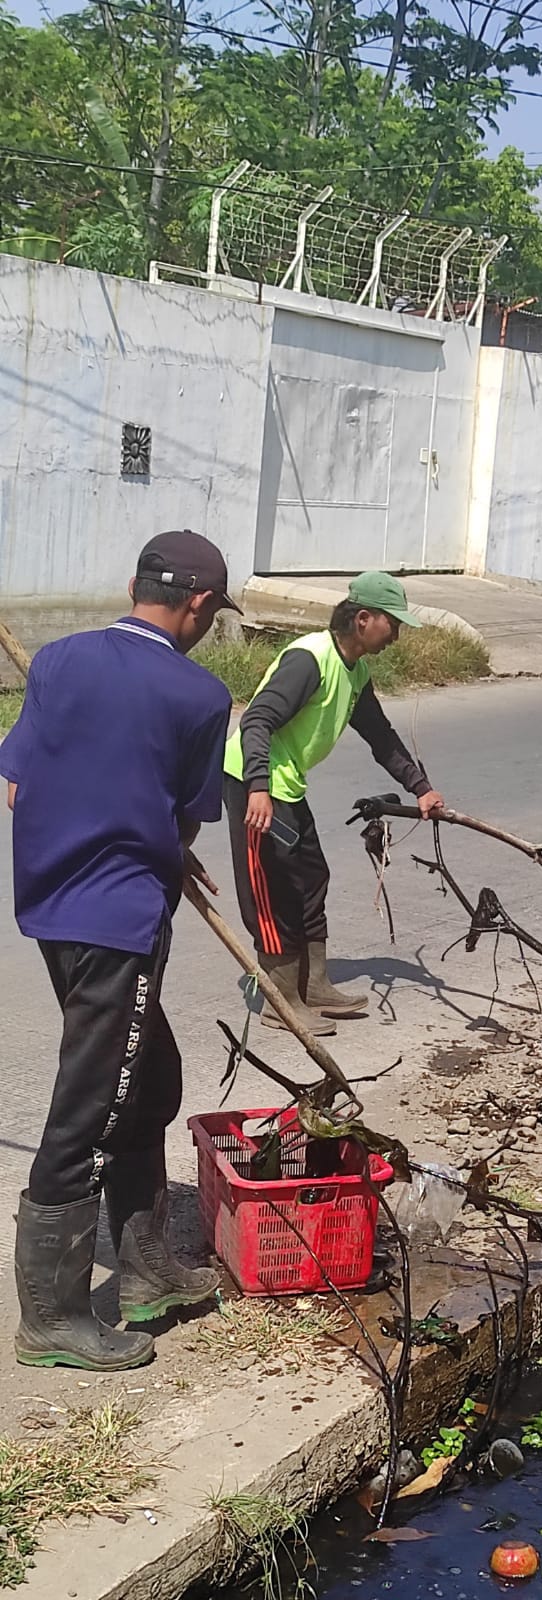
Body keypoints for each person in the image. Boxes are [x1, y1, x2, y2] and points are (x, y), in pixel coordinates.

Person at [0, 531, 238, 1371]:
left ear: (133, 584)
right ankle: (52, 1318)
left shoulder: (58, 661)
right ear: (199, 604)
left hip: (54, 905)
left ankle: (145, 1269)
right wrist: (161, 845)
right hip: (118, 921)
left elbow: (17, 787)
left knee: (151, 1077)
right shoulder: (201, 695)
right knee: (92, 1106)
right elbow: (184, 818)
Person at [223, 572, 446, 1037]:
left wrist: (420, 787)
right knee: (274, 892)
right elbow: (257, 719)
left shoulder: (355, 670)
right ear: (363, 619)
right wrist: (258, 786)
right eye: (392, 623)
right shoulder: (310, 660)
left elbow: (381, 736)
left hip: (286, 783)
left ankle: (315, 985)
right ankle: (281, 1001)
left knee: (312, 878)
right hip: (254, 783)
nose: (396, 634)